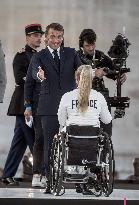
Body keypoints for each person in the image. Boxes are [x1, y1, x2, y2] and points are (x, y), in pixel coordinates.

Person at [30, 22, 82, 193]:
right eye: (52, 36)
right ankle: (49, 178)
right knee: (49, 144)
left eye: (59, 37)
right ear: (46, 37)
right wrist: (39, 74)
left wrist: (83, 74)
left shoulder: (71, 53)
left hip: (70, 108)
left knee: (74, 142)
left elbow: (81, 70)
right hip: (49, 107)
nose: (56, 40)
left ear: (62, 37)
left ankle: (77, 177)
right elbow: (35, 72)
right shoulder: (39, 56)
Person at [58, 65, 112, 194]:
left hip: (72, 137)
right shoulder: (99, 96)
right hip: (92, 138)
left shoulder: (67, 96)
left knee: (63, 133)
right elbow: (107, 120)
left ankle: (77, 177)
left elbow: (61, 121)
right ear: (92, 79)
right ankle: (93, 174)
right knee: (102, 137)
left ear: (76, 78)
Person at [2, 24, 44, 185]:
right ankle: (42, 174)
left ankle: (7, 175)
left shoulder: (40, 56)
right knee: (34, 140)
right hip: (23, 106)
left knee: (19, 141)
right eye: (35, 35)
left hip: (33, 103)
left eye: (40, 35)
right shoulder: (21, 56)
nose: (39, 38)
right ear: (27, 37)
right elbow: (20, 79)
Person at [77, 29, 127, 136]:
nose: (91, 48)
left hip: (100, 95)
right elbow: (73, 74)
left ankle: (105, 142)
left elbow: (114, 71)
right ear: (82, 45)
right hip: (82, 96)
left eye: (93, 44)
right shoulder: (75, 57)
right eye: (87, 45)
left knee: (106, 126)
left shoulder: (101, 56)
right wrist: (94, 73)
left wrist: (120, 74)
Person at [24, 38, 46, 188]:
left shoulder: (67, 58)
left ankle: (48, 174)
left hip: (59, 105)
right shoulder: (38, 57)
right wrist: (28, 106)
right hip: (40, 105)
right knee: (40, 138)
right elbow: (29, 83)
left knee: (54, 140)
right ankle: (37, 174)